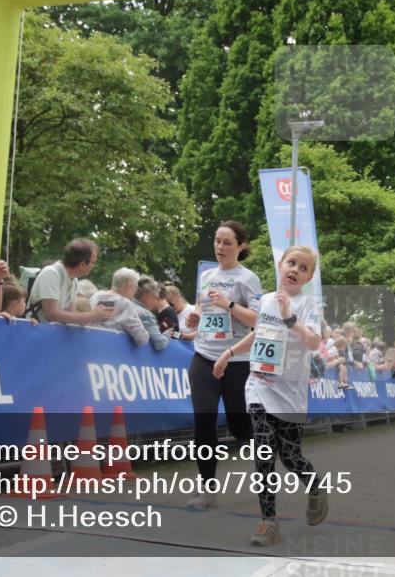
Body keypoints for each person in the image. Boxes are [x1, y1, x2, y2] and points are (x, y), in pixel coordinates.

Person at [212, 245, 326, 546]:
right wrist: (229, 353)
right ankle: (268, 521)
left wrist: (290, 318)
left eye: (303, 268)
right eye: (292, 263)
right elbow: (258, 334)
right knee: (264, 454)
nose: (295, 270)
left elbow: (314, 342)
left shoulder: (309, 304)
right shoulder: (264, 301)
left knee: (290, 456)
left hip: (291, 393)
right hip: (261, 387)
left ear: (309, 276)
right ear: (280, 264)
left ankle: (315, 488)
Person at [183, 221, 263, 509]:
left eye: (227, 242)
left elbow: (257, 321)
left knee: (240, 427)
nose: (220, 247)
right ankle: (207, 491)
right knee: (203, 424)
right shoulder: (206, 275)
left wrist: (230, 304)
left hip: (236, 360)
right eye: (217, 241)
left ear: (241, 246)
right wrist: (194, 318)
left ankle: (267, 461)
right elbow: (203, 310)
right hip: (204, 355)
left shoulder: (247, 278)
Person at [26, 238, 113, 326]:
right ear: (82, 264)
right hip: (35, 333)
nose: (94, 266)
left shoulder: (74, 280)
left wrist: (96, 316)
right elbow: (51, 315)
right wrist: (92, 315)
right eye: (93, 262)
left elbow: (70, 316)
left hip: (51, 334)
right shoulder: (51, 273)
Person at [89, 268, 151, 346]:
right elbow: (141, 338)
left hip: (90, 343)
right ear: (127, 286)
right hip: (111, 349)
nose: (135, 292)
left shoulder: (96, 295)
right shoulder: (125, 304)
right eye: (135, 287)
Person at [133, 276, 171, 351]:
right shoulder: (145, 315)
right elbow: (160, 343)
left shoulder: (125, 304)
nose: (156, 302)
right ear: (147, 296)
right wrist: (167, 333)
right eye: (156, 298)